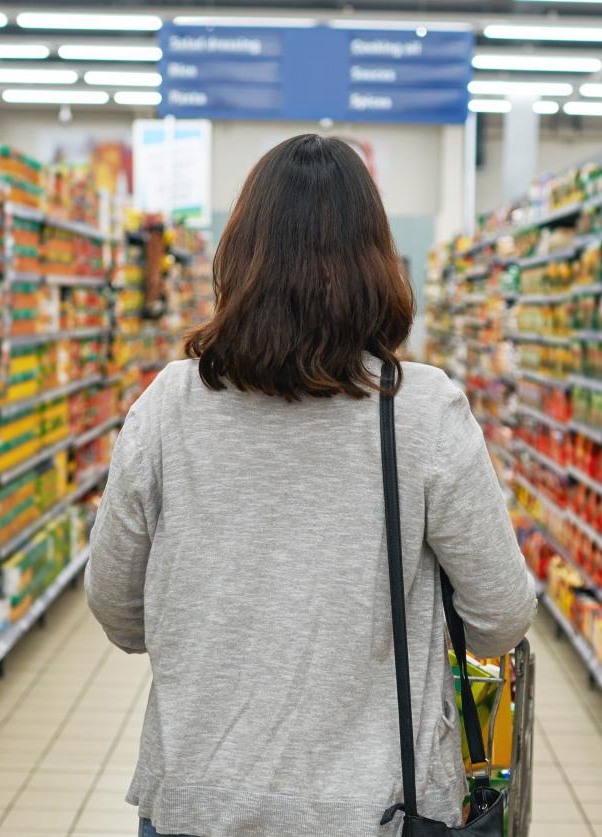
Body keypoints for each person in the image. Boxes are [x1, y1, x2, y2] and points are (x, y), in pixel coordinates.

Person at [85, 133, 536, 837]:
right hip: (380, 808)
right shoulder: (419, 408)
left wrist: (214, 633)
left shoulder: (169, 403)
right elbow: (501, 613)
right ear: (377, 264)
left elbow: (115, 603)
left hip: (198, 804)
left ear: (237, 257)